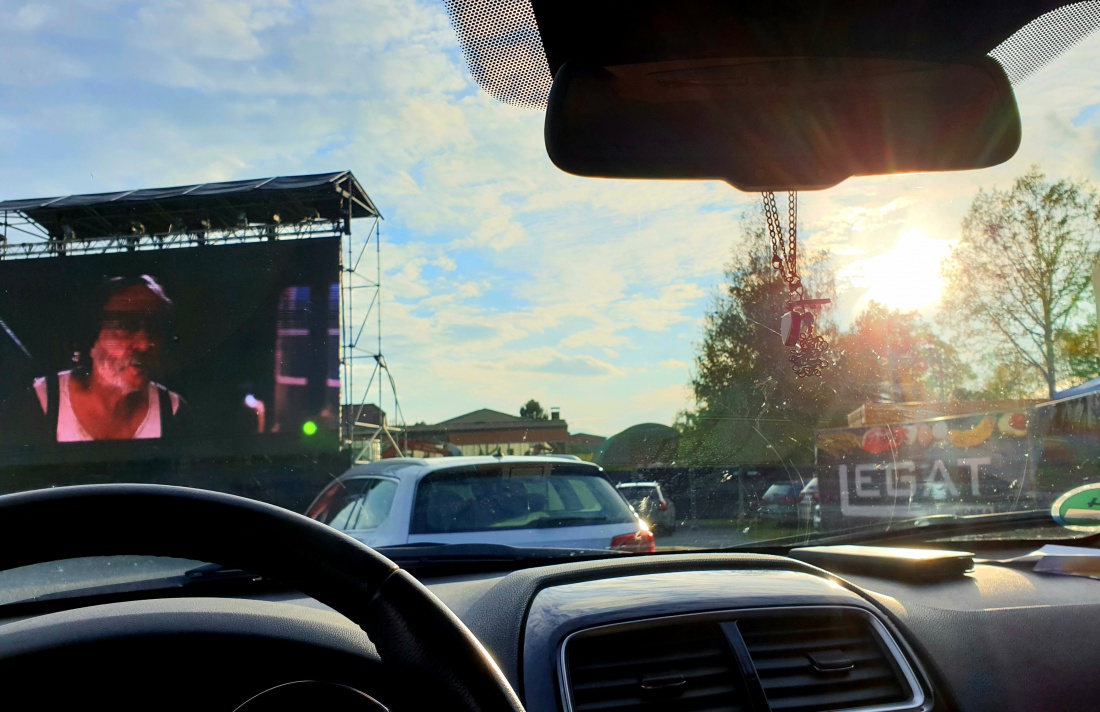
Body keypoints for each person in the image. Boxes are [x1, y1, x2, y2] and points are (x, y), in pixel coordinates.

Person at [34, 275, 187, 441]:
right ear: (91, 338)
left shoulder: (173, 411)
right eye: (125, 326)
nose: (144, 344)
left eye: (155, 328)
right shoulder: (40, 402)